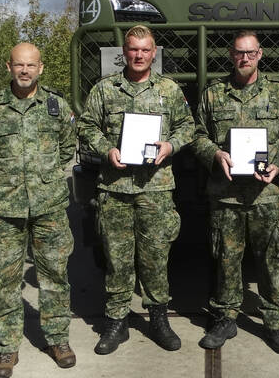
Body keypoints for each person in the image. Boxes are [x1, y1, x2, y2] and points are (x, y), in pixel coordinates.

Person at [76, 25, 195, 355]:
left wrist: (171, 145)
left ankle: (158, 317)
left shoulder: (168, 90)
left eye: (145, 50)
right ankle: (116, 321)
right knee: (117, 259)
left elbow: (189, 127)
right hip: (114, 188)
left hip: (155, 189)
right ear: (123, 53)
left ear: (153, 53)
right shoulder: (105, 89)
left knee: (156, 258)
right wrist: (106, 150)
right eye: (133, 50)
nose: (139, 55)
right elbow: (86, 125)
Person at [0, 43, 78, 378]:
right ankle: (6, 349)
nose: (25, 71)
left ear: (41, 68)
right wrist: (7, 182)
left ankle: (57, 339)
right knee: (4, 282)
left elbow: (68, 147)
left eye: (31, 65)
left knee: (55, 278)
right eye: (19, 65)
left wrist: (44, 180)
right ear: (9, 67)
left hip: (50, 208)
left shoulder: (57, 106)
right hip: (5, 211)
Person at [190, 30, 279, 354]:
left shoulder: (278, 93)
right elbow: (198, 135)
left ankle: (274, 323)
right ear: (230, 54)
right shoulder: (213, 94)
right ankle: (225, 317)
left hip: (265, 196)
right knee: (226, 260)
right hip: (226, 196)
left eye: (250, 53)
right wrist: (215, 154)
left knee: (270, 261)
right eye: (239, 53)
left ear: (260, 54)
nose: (245, 58)